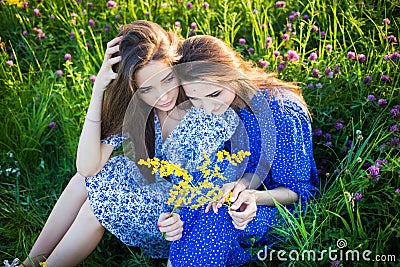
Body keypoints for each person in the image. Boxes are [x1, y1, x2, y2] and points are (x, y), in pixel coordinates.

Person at [19, 20, 185, 267]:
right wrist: (99, 90)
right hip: (157, 194)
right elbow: (87, 168)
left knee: (95, 207)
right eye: (147, 88)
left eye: (167, 79)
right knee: (87, 179)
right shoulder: (137, 110)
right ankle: (30, 262)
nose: (162, 95)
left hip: (180, 219)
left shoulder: (195, 100)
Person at [167, 35, 319, 266]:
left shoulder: (282, 113)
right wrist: (241, 185)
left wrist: (254, 197)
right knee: (198, 197)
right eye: (196, 98)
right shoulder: (230, 106)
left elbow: (298, 192)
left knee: (216, 217)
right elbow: (253, 167)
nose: (208, 108)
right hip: (251, 190)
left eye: (214, 94)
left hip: (284, 207)